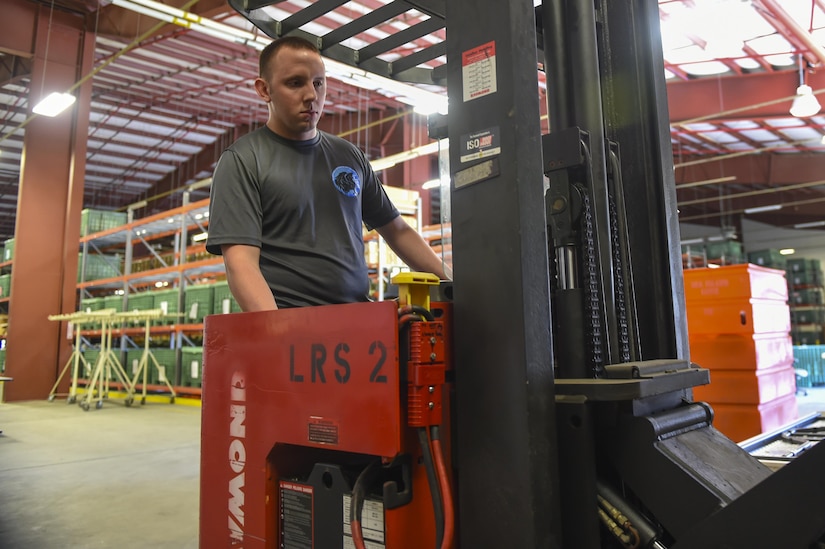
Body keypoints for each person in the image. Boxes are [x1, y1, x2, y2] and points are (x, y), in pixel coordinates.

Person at [206, 36, 448, 311]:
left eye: (318, 83)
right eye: (295, 83)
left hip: (355, 317)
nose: (311, 95)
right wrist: (279, 334)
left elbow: (398, 231)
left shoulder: (349, 156)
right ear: (264, 89)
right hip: (292, 320)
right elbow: (241, 263)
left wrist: (453, 285)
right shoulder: (243, 161)